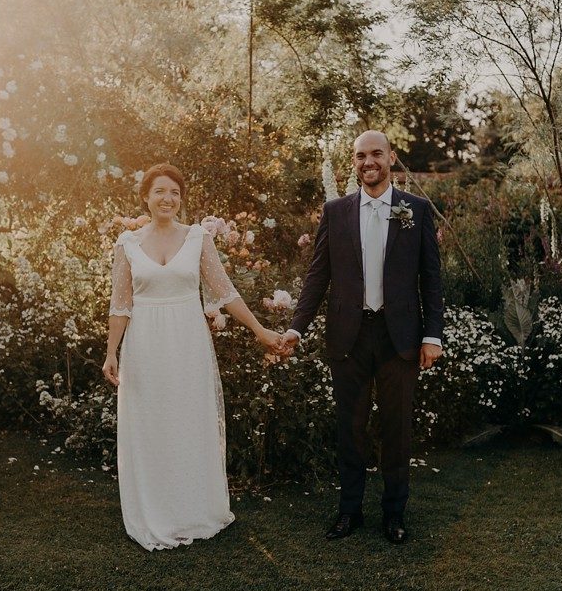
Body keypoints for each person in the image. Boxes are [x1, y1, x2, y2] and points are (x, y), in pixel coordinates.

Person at [102, 163, 282, 551]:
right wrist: (111, 352)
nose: (168, 199)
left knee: (187, 419)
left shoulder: (198, 237)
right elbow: (121, 305)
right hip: (145, 342)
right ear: (146, 197)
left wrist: (260, 331)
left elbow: (225, 292)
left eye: (175, 193)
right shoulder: (127, 244)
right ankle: (156, 511)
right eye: (160, 191)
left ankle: (192, 507)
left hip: (187, 341)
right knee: (151, 422)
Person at [280, 131, 444, 545]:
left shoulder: (416, 209)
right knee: (349, 429)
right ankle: (349, 511)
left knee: (397, 429)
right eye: (359, 156)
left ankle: (394, 514)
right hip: (348, 336)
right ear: (352, 163)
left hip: (399, 336)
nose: (368, 162)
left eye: (376, 154)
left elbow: (431, 278)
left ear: (391, 158)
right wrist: (297, 326)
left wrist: (433, 336)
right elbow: (318, 275)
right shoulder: (335, 211)